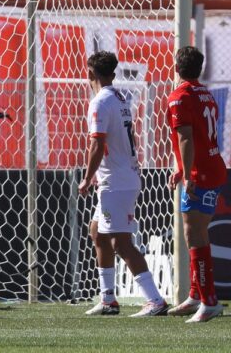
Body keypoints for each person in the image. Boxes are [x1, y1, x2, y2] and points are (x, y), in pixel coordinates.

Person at [77, 51, 169, 318]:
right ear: (113, 74)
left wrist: (86, 177)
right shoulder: (119, 98)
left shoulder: (100, 102)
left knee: (121, 243)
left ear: (90, 74)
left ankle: (155, 300)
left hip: (115, 182)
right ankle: (108, 299)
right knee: (97, 233)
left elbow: (97, 143)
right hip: (119, 177)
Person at [165, 46, 227, 323]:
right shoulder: (206, 94)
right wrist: (183, 169)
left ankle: (210, 301)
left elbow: (187, 138)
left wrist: (188, 173)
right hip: (213, 167)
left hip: (200, 173)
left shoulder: (180, 97)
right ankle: (195, 295)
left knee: (195, 233)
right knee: (196, 230)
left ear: (176, 67)